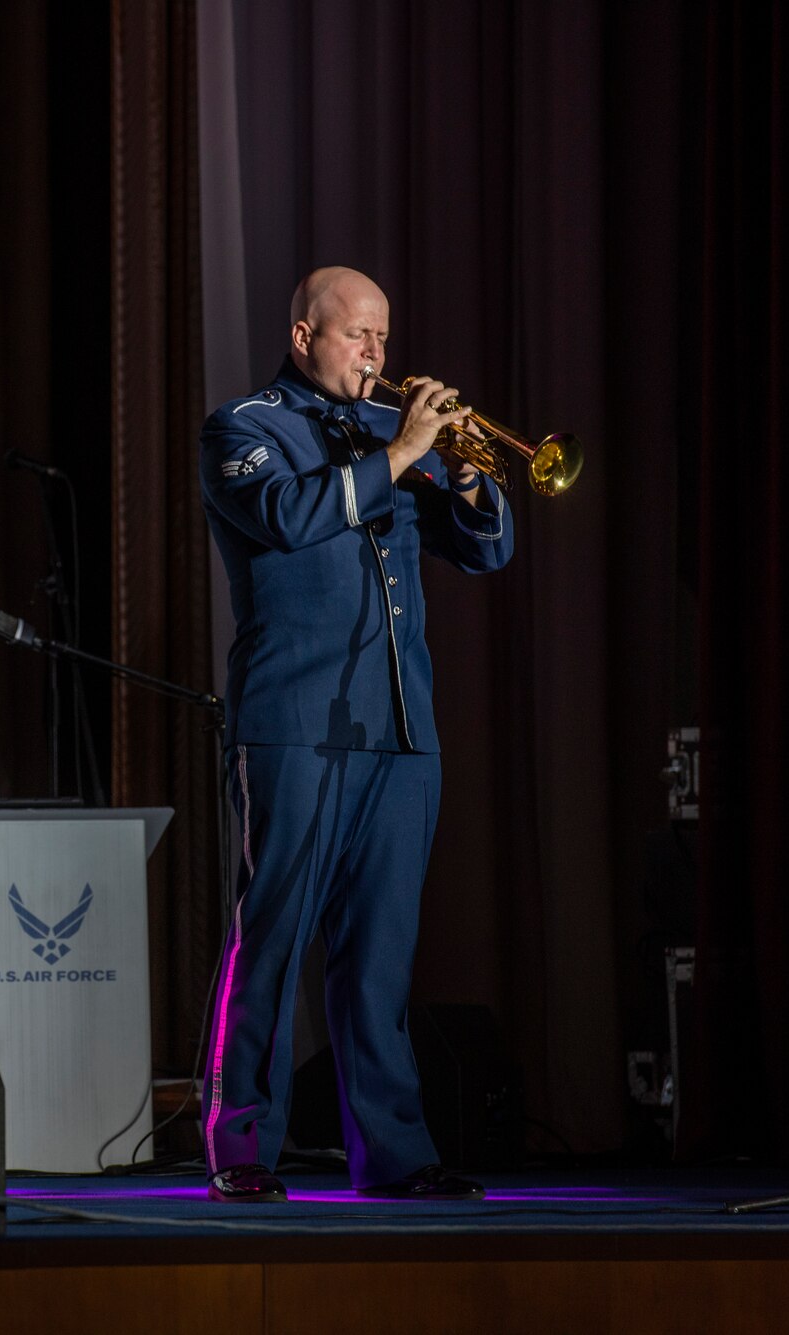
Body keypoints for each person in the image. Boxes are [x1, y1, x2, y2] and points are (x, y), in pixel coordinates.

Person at [196, 267, 514, 1203]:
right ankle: (241, 1146)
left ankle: (395, 1156)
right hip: (293, 723)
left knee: (380, 954)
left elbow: (485, 550)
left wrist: (457, 465)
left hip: (401, 725)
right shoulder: (243, 426)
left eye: (382, 337)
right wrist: (404, 451)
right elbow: (292, 519)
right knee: (274, 938)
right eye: (355, 337)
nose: (377, 356)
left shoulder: (389, 433)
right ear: (304, 337)